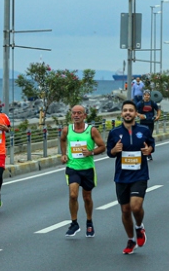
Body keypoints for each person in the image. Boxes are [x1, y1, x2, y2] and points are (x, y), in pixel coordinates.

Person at [106, 100, 154, 254]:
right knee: (125, 210)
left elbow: (151, 145)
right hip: (121, 176)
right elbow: (109, 153)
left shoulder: (144, 130)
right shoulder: (114, 133)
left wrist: (149, 150)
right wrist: (114, 150)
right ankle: (131, 239)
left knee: (136, 206)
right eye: (125, 110)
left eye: (131, 110)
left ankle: (139, 227)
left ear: (135, 113)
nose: (128, 113)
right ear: (121, 113)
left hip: (139, 174)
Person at [60, 105, 106, 237]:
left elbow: (102, 147)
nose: (76, 115)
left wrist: (91, 152)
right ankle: (74, 223)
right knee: (73, 195)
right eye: (73, 113)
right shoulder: (67, 130)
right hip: (73, 167)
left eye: (79, 113)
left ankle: (89, 221)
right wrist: (64, 154)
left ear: (84, 116)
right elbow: (62, 140)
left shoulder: (91, 130)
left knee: (87, 197)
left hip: (88, 169)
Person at [137, 90, 161, 161]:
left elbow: (158, 109)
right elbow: (134, 111)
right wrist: (139, 115)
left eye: (148, 95)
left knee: (149, 138)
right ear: (143, 95)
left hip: (150, 123)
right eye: (145, 95)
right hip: (143, 123)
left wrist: (158, 116)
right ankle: (144, 153)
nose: (147, 96)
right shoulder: (140, 103)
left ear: (150, 96)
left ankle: (149, 154)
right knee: (143, 138)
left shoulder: (152, 103)